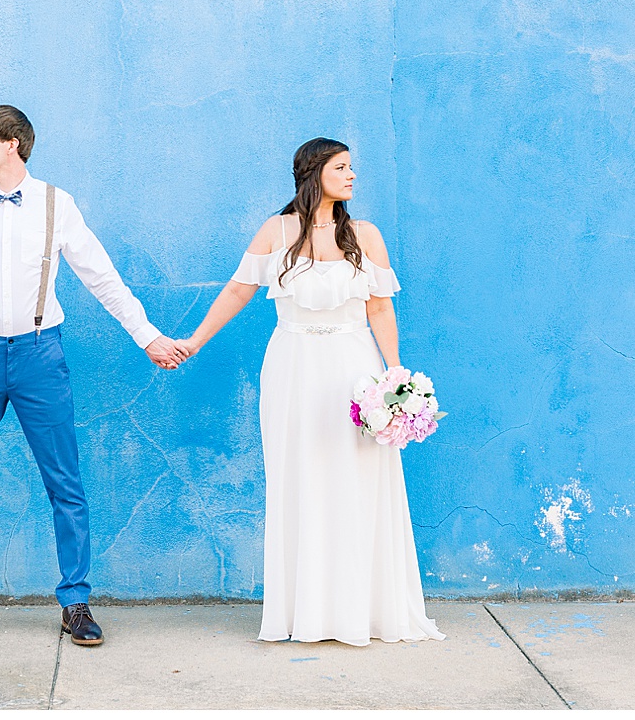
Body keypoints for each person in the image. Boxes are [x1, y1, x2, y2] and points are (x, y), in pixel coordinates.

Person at [0, 104, 188, 649]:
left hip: (40, 356)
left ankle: (75, 602)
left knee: (64, 482)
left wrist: (147, 336)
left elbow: (101, 277)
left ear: (12, 143)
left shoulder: (56, 204)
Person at [173, 137, 444, 645]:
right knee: (300, 478)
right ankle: (307, 613)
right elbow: (238, 290)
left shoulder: (365, 234)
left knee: (358, 481)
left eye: (351, 168)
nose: (352, 176)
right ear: (315, 171)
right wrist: (194, 341)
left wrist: (398, 380)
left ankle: (361, 611)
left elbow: (380, 309)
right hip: (293, 367)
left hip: (355, 370)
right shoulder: (276, 231)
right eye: (342, 167)